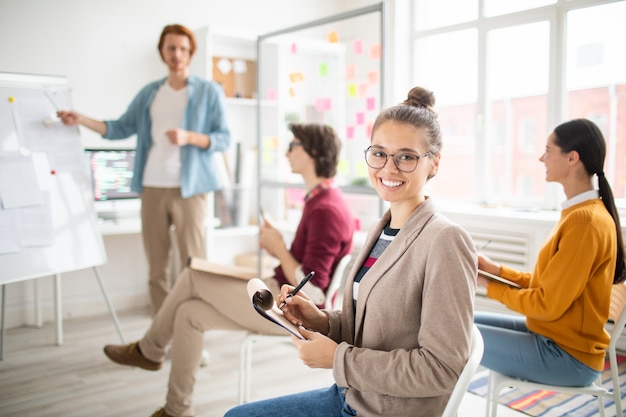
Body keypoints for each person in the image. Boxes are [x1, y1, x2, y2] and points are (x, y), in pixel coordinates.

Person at [224, 86, 477, 417]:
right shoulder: (380, 229)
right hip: (354, 397)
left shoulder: (445, 241)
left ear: (434, 164)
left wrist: (336, 359)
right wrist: (322, 321)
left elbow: (442, 369)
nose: (389, 168)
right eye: (379, 153)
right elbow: (376, 328)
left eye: (406, 156)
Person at [102, 123, 355, 417]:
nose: (287, 152)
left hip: (286, 310)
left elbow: (316, 292)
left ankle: (149, 350)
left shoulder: (326, 209)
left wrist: (279, 249)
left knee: (193, 276)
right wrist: (279, 248)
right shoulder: (321, 201)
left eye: (293, 145)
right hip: (277, 292)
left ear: (312, 152)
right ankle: (176, 410)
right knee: (188, 314)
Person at [57, 24, 231, 315]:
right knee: (157, 269)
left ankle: (192, 338)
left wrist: (190, 137)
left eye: (183, 49)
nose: (177, 54)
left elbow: (223, 138)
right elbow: (118, 128)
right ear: (162, 51)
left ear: (191, 53)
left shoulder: (208, 92)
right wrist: (81, 119)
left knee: (194, 267)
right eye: (171, 48)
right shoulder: (150, 93)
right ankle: (160, 340)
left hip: (192, 190)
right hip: (152, 187)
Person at [474, 118, 626, 387]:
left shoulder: (585, 223)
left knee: (451, 334)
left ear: (572, 158)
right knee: (459, 321)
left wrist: (489, 285)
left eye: (548, 150)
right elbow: (548, 285)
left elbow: (547, 305)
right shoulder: (579, 214)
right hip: (552, 337)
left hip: (567, 357)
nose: (541, 158)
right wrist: (495, 271)